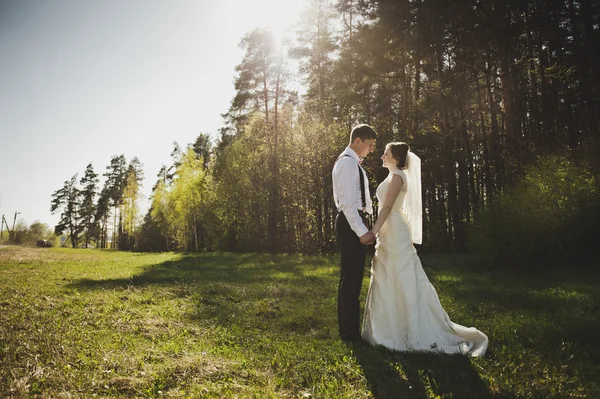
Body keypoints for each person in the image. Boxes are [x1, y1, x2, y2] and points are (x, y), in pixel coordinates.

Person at [361, 142, 488, 357]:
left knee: (401, 277)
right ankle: (390, 325)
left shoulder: (398, 176)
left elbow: (388, 207)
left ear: (397, 158)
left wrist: (373, 231)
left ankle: (408, 327)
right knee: (388, 276)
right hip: (388, 231)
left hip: (394, 232)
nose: (382, 156)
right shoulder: (393, 175)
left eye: (386, 153)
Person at [332, 124, 377, 343]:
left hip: (353, 221)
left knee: (352, 277)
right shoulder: (348, 164)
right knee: (351, 279)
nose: (371, 150)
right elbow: (348, 204)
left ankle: (348, 330)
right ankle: (349, 334)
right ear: (358, 140)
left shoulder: (351, 163)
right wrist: (361, 231)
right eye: (369, 145)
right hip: (351, 223)